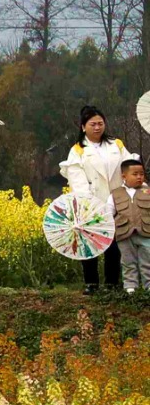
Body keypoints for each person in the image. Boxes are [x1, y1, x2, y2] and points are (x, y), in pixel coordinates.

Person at [64, 106, 129, 292]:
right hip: (90, 202)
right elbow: (76, 178)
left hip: (116, 199)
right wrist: (89, 203)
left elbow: (128, 166)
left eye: (100, 123)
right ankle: (91, 283)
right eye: (92, 124)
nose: (97, 127)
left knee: (113, 244)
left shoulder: (116, 144)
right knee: (89, 242)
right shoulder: (77, 150)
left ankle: (112, 283)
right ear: (83, 127)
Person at [118, 159, 150, 293]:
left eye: (141, 174)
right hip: (125, 234)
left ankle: (148, 286)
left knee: (147, 261)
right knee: (127, 261)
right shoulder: (115, 194)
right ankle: (130, 287)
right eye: (135, 174)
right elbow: (108, 213)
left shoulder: (148, 191)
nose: (139, 177)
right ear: (124, 176)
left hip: (146, 233)